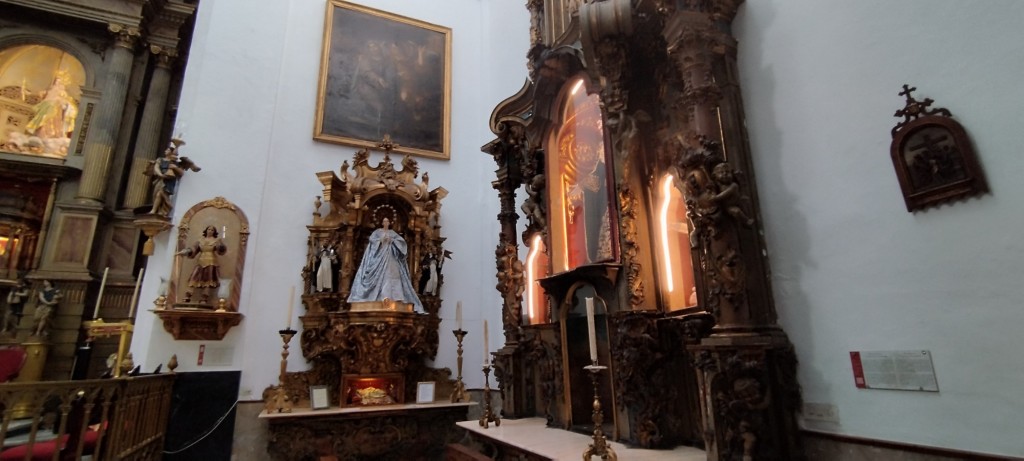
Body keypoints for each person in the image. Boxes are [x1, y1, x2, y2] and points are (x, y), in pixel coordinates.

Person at [347, 218, 423, 311]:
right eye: (384, 221)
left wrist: (393, 241)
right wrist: (381, 240)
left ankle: (394, 297)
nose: (386, 222)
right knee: (382, 276)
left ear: (389, 223)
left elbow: (401, 242)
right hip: (379, 258)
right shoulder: (377, 232)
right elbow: (372, 241)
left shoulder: (392, 233)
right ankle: (379, 297)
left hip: (391, 257)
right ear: (382, 223)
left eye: (387, 221)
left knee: (392, 275)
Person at [179, 225, 227, 304]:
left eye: (212, 230)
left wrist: (221, 246)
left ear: (214, 232)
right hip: (201, 261)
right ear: (206, 230)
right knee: (194, 277)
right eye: (209, 229)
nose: (210, 231)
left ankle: (204, 297)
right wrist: (185, 252)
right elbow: (194, 249)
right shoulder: (200, 240)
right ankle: (188, 295)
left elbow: (221, 251)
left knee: (208, 279)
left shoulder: (216, 240)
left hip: (211, 261)